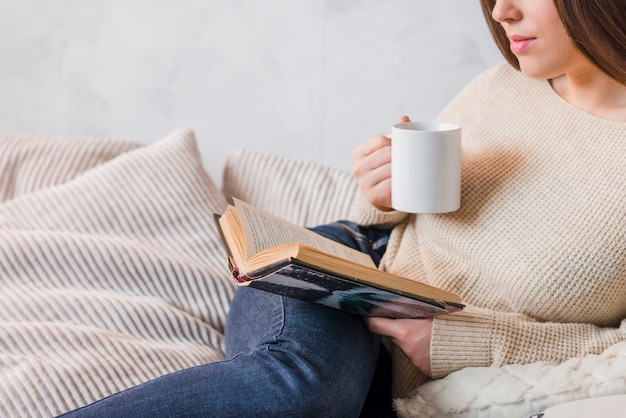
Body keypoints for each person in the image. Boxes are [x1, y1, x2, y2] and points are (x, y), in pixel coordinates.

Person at [60, 0, 626, 416]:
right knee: (300, 388)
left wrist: (468, 343)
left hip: (406, 354)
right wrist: (383, 195)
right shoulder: (504, 85)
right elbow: (409, 218)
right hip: (341, 273)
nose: (501, 11)